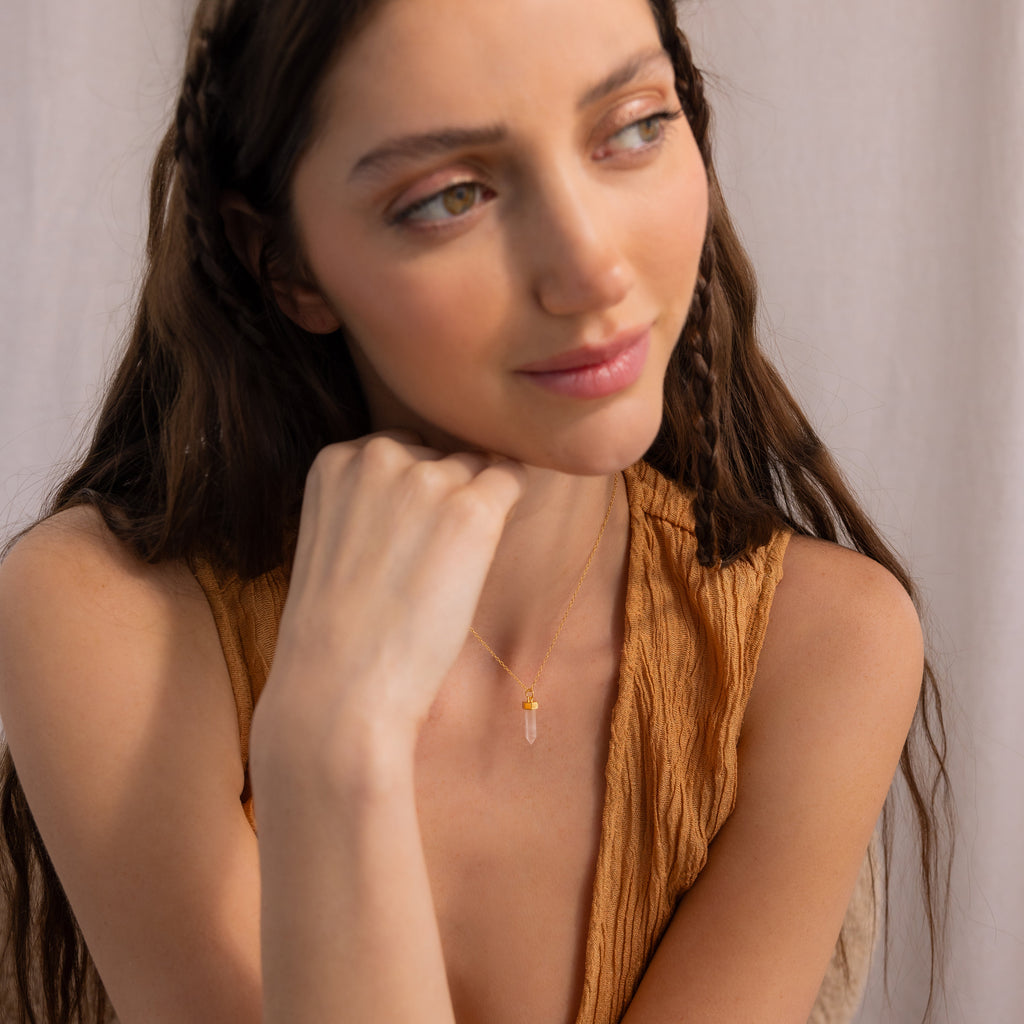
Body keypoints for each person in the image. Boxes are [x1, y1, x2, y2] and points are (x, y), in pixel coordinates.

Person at [0, 0, 951, 1022]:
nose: (592, 267)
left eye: (633, 126)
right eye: (449, 195)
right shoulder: (106, 622)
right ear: (281, 262)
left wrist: (331, 748)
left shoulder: (819, 648)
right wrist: (334, 740)